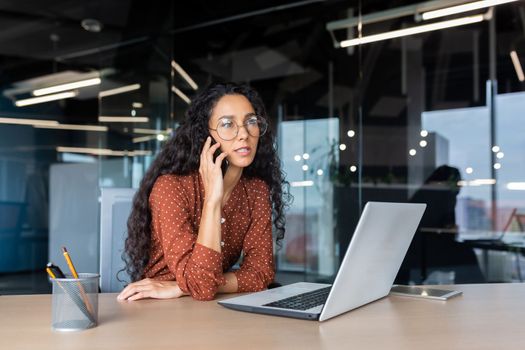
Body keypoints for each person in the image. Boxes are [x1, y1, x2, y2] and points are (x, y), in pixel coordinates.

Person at [117, 82, 289, 301]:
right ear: (205, 134)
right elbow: (203, 286)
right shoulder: (171, 188)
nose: (244, 133)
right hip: (158, 309)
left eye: (251, 121)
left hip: (209, 304)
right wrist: (212, 201)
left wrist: (180, 287)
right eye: (228, 124)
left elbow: (261, 274)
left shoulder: (256, 190)